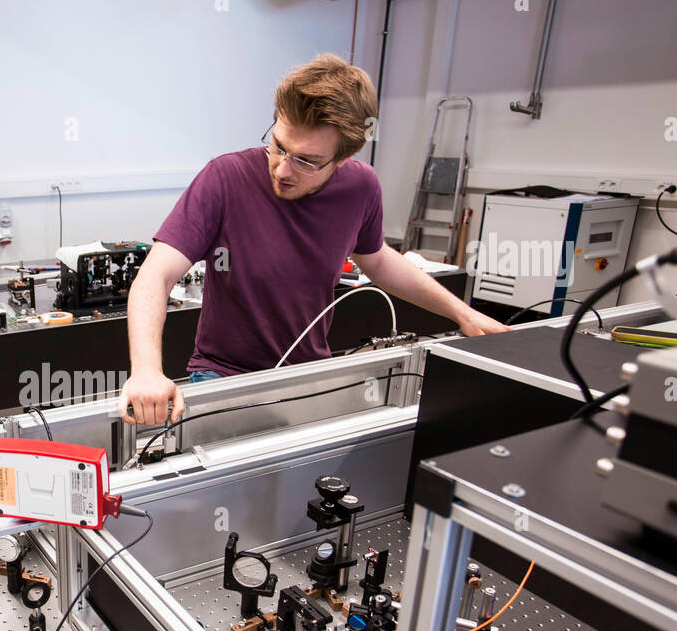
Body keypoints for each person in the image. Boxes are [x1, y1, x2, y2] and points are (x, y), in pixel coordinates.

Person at [117, 54, 507, 426]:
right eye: (278, 145)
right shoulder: (224, 178)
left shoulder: (361, 187)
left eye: (305, 160)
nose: (282, 169)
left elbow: (379, 260)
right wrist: (147, 370)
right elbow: (156, 276)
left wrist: (463, 313)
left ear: (342, 159)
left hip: (309, 381)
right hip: (225, 380)